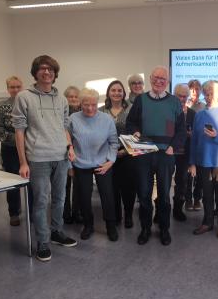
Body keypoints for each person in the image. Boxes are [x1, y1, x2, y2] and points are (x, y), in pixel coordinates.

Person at [12, 55, 77, 262]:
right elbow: (19, 131)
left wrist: (70, 147)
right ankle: (43, 241)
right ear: (35, 72)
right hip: (38, 158)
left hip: (61, 156)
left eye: (50, 69)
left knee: (59, 198)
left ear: (55, 73)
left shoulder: (62, 99)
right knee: (41, 201)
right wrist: (23, 162)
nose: (46, 72)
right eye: (42, 68)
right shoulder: (24, 97)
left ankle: (56, 232)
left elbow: (64, 127)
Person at [126, 66, 186, 246]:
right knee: (144, 194)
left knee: (164, 195)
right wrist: (135, 131)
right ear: (151, 79)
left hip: (165, 155)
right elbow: (131, 123)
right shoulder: (141, 100)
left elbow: (181, 130)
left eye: (163, 78)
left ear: (167, 82)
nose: (159, 81)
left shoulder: (174, 102)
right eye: (156, 78)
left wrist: (173, 147)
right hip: (144, 153)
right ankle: (145, 228)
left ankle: (164, 229)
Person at [69, 88, 119, 241]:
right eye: (85, 104)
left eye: (93, 104)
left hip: (102, 163)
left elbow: (113, 142)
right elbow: (67, 143)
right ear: (80, 103)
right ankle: (88, 225)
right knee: (84, 196)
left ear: (98, 103)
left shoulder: (107, 119)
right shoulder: (73, 119)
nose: (90, 108)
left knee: (107, 196)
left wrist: (110, 161)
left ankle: (111, 226)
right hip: (80, 163)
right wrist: (70, 166)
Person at [190, 80, 218, 239]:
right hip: (203, 162)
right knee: (207, 195)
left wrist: (217, 136)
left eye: (212, 93)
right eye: (206, 94)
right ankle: (207, 222)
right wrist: (192, 162)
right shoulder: (199, 115)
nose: (209, 97)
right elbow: (194, 140)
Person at [0, 76, 32, 226]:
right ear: (8, 89)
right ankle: (14, 213)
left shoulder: (29, 105)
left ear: (22, 87)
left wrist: (28, 141)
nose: (15, 90)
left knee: (32, 182)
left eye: (18, 87)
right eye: (12, 87)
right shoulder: (2, 107)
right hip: (10, 151)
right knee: (13, 182)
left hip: (30, 150)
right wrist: (19, 140)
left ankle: (32, 211)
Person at [100, 80, 136, 228]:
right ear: (109, 93)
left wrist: (123, 151)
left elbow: (136, 132)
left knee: (128, 188)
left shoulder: (132, 109)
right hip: (107, 156)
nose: (116, 93)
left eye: (119, 90)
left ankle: (128, 215)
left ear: (124, 93)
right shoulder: (101, 111)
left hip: (127, 154)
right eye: (113, 90)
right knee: (112, 188)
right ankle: (116, 216)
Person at [172, 84, 195, 222]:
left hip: (185, 153)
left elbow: (196, 135)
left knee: (182, 182)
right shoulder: (168, 111)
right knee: (163, 181)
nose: (181, 98)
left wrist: (191, 134)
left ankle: (178, 210)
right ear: (174, 95)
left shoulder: (193, 114)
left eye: (184, 96)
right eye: (179, 96)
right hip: (169, 151)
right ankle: (160, 210)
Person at [63, 86, 83, 224]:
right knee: (64, 187)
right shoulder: (62, 114)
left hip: (79, 156)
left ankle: (77, 213)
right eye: (71, 96)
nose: (74, 99)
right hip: (63, 155)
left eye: (76, 96)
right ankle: (65, 213)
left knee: (78, 187)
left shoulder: (84, 113)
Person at [185, 79, 205, 211]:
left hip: (200, 144)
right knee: (187, 175)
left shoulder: (203, 106)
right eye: (192, 89)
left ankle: (197, 199)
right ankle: (187, 200)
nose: (194, 91)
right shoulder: (183, 104)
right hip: (185, 144)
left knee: (200, 175)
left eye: (197, 89)